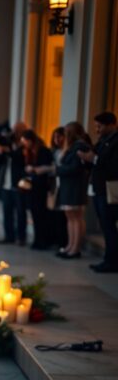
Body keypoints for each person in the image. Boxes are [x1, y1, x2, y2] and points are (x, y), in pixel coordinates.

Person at [78, 112, 118, 272]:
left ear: (111, 125)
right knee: (105, 226)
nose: (97, 130)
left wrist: (93, 159)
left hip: (109, 190)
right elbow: (95, 158)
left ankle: (112, 261)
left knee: (109, 226)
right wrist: (86, 159)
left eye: (99, 126)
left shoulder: (116, 141)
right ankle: (108, 259)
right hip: (99, 188)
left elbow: (114, 166)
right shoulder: (103, 140)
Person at [55, 122, 92, 259]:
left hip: (75, 187)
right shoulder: (72, 147)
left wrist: (58, 170)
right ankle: (70, 245)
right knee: (70, 218)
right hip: (69, 186)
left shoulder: (80, 146)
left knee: (75, 218)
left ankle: (75, 248)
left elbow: (75, 168)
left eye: (65, 133)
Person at [0, 122, 27, 245]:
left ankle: (21, 237)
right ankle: (9, 236)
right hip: (6, 182)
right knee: (7, 211)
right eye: (14, 129)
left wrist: (7, 150)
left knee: (20, 212)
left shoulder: (24, 145)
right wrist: (0, 151)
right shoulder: (8, 142)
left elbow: (18, 158)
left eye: (17, 130)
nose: (14, 132)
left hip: (18, 183)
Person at [20, 130, 54, 250]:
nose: (24, 144)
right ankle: (37, 239)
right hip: (32, 187)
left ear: (31, 140)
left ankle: (42, 240)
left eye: (25, 142)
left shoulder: (44, 151)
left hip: (41, 187)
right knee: (34, 214)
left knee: (41, 214)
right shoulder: (28, 152)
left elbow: (48, 167)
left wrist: (33, 169)